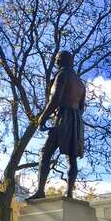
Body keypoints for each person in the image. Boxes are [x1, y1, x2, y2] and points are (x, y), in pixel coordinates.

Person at [27, 50, 86, 200]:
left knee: (45, 153)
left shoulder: (62, 75)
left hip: (63, 116)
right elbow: (82, 108)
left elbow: (55, 99)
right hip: (77, 120)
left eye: (58, 59)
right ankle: (70, 193)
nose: (56, 61)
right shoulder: (80, 83)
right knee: (71, 158)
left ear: (63, 61)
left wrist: (43, 117)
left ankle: (40, 190)